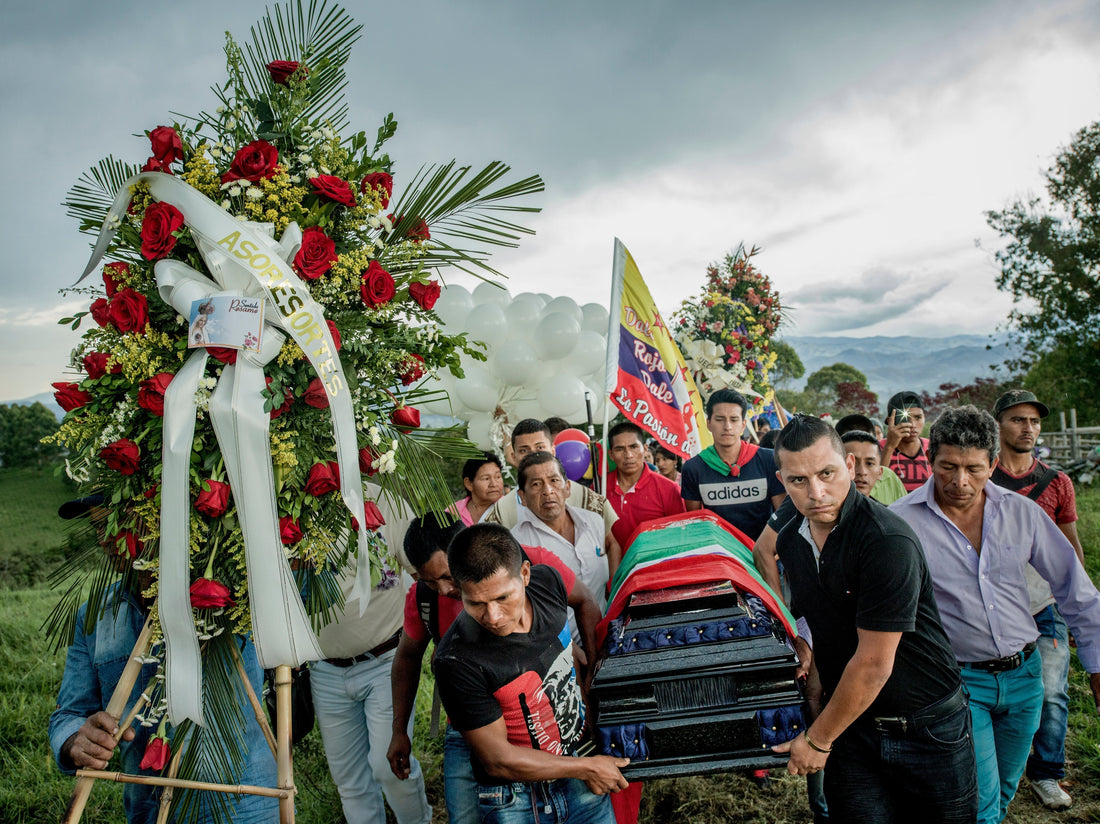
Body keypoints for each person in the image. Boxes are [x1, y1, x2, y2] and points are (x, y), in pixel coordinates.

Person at [891, 405, 1100, 824]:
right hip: (958, 683)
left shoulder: (1022, 514)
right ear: (931, 460)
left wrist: (1097, 668)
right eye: (948, 466)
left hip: (1026, 678)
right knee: (980, 803)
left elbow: (1077, 592)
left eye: (974, 468)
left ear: (993, 464)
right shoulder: (901, 524)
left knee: (1002, 792)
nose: (960, 481)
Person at [769, 415, 978, 823]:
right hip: (853, 726)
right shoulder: (790, 539)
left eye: (827, 473)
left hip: (927, 727)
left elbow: (873, 664)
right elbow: (822, 614)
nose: (816, 492)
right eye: (798, 480)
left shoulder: (886, 540)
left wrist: (817, 739)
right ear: (781, 479)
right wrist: (803, 645)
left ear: (849, 465)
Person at [49, 497, 277, 824]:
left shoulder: (229, 593)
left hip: (247, 804)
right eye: (98, 526)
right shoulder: (94, 616)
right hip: (148, 807)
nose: (105, 537)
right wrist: (76, 741)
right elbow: (68, 713)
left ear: (158, 518)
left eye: (120, 521)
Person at [388, 513, 604, 823]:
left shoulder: (533, 566)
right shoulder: (428, 607)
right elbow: (408, 657)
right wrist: (399, 730)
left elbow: (580, 603)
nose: (443, 589)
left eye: (448, 576)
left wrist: (589, 676)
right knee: (466, 815)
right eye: (428, 580)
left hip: (544, 714)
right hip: (472, 726)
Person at [433, 523, 629, 824]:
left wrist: (591, 679)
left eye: (502, 598)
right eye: (476, 604)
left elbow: (584, 604)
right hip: (517, 800)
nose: (493, 617)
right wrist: (587, 768)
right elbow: (498, 760)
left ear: (525, 574)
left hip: (580, 766)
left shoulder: (548, 583)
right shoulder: (456, 660)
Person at [309, 485, 432, 824]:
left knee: (390, 767)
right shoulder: (284, 504)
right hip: (325, 669)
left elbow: (423, 569)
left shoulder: (382, 499)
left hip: (386, 661)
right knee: (349, 780)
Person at [989, 389, 1086, 810]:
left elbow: (1071, 548)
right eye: (1017, 419)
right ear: (998, 425)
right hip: (990, 605)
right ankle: (993, 768)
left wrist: (1077, 606)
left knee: (1051, 690)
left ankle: (1046, 773)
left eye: (1033, 421)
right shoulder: (980, 477)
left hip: (1043, 603)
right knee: (990, 688)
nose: (1027, 428)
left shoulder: (1057, 482)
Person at [482, 418, 620, 543]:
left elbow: (611, 545)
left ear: (553, 451)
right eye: (524, 450)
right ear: (514, 456)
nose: (534, 454)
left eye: (540, 447)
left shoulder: (589, 499)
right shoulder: (501, 513)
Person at [680, 388, 786, 540]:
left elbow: (782, 518)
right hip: (720, 556)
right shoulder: (693, 468)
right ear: (708, 423)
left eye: (734, 420)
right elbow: (695, 524)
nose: (727, 426)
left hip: (765, 553)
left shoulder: (768, 460)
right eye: (720, 419)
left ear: (743, 425)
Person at [511, 452, 612, 610]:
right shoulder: (517, 543)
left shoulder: (594, 521)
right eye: (536, 484)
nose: (548, 491)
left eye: (554, 480)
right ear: (522, 497)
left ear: (567, 488)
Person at [605, 422, 685, 553]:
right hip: (610, 571)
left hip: (653, 568)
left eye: (634, 447)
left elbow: (679, 537)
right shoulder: (599, 488)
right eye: (620, 449)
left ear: (645, 449)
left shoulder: (669, 489)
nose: (628, 455)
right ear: (611, 454)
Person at [836, 414, 906, 504]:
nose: (862, 472)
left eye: (869, 463)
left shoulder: (890, 478)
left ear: (880, 472)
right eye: (851, 463)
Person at [879, 391, 931, 492]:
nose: (912, 424)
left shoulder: (932, 447)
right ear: (889, 421)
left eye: (918, 417)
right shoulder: (876, 448)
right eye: (905, 418)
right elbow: (877, 486)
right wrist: (889, 447)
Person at [454, 452, 506, 526]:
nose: (494, 484)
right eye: (486, 478)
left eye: (498, 477)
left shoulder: (512, 509)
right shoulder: (453, 512)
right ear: (469, 484)